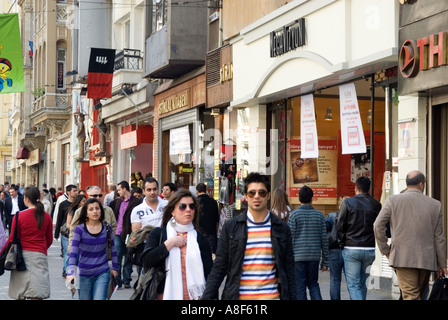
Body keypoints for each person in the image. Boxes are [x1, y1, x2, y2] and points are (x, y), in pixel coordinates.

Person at [202, 172, 296, 300]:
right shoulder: (231, 227)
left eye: (261, 192)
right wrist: (207, 296)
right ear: (246, 196)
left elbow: (289, 269)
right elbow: (219, 267)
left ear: (268, 196)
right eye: (252, 193)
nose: (256, 196)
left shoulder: (281, 229)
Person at [374, 170, 447, 300]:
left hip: (402, 257)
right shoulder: (435, 205)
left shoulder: (392, 200)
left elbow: (377, 225)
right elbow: (439, 237)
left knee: (411, 296)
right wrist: (442, 264)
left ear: (407, 183)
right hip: (426, 259)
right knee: (416, 294)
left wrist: (385, 249)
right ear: (421, 184)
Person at [140, 189, 213, 300]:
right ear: (172, 211)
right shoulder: (159, 234)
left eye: (192, 206)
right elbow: (146, 261)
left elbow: (209, 273)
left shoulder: (200, 239)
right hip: (164, 295)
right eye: (183, 206)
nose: (188, 210)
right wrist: (169, 244)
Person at [1, 186, 53, 300]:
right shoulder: (46, 216)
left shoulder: (19, 216)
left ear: (27, 199)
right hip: (39, 256)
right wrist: (42, 248)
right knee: (38, 292)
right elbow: (49, 239)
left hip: (20, 257)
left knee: (20, 292)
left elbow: (11, 239)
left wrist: (2, 253)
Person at [337, 176, 381, 300]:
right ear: (369, 189)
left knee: (353, 285)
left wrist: (341, 243)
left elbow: (340, 224)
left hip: (351, 247)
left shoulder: (347, 203)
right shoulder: (376, 205)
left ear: (355, 188)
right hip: (369, 249)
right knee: (362, 284)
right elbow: (381, 226)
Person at [67, 198, 118, 300]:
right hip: (84, 273)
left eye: (97, 208)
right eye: (91, 209)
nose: (95, 211)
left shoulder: (107, 228)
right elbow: (73, 252)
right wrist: (71, 272)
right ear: (86, 213)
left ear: (101, 211)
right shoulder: (79, 229)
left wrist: (115, 268)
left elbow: (113, 248)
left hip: (102, 272)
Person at [288, 186, 329, 300]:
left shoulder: (294, 215)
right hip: (314, 256)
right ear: (312, 198)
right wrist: (325, 261)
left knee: (300, 286)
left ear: (299, 198)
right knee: (313, 284)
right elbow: (324, 239)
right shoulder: (320, 215)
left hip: (298, 257)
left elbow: (290, 239)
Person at [112, 180, 142, 288]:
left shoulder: (136, 202)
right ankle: (117, 281)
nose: (118, 191)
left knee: (129, 256)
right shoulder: (117, 201)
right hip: (117, 233)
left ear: (125, 189)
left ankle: (126, 280)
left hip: (130, 233)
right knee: (118, 256)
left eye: (119, 189)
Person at [68, 186, 117, 252]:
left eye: (100, 195)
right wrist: (72, 247)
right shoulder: (80, 211)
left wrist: (109, 239)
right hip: (84, 249)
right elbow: (73, 229)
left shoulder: (108, 210)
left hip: (103, 249)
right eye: (95, 195)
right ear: (88, 196)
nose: (98, 198)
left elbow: (113, 226)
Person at [325, 196, 348, 300]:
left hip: (334, 250)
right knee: (351, 281)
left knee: (335, 279)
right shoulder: (352, 217)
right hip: (348, 249)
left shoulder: (331, 216)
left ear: (339, 206)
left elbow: (324, 229)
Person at [55, 184, 78, 277]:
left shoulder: (78, 204)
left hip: (76, 231)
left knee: (71, 252)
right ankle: (68, 272)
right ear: (68, 192)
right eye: (74, 191)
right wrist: (56, 234)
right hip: (65, 232)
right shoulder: (63, 204)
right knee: (66, 252)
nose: (76, 192)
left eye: (77, 191)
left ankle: (66, 270)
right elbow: (59, 219)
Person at [196, 182, 219, 253]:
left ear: (197, 191)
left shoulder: (195, 202)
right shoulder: (213, 202)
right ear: (206, 190)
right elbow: (217, 218)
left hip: (198, 231)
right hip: (211, 232)